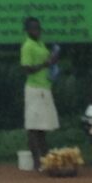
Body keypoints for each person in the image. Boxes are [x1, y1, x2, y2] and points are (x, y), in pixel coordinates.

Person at [20, 16, 60, 169]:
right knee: (33, 125)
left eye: (38, 28)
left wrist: (52, 59)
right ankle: (37, 161)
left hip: (45, 87)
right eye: (33, 28)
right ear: (27, 30)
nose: (36, 31)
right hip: (34, 89)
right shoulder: (27, 46)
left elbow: (47, 62)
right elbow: (26, 69)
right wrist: (45, 64)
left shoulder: (40, 44)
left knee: (43, 126)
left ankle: (46, 158)